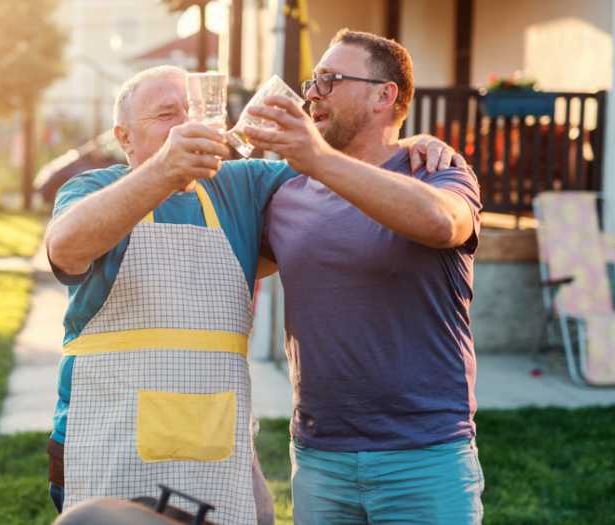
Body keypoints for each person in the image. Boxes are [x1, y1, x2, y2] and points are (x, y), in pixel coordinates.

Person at [42, 64, 458, 524]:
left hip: (217, 451)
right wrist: (163, 170)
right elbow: (65, 249)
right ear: (125, 138)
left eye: (193, 109)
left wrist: (404, 145)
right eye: (166, 115)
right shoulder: (94, 188)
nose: (186, 123)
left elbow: (344, 166)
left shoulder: (243, 184)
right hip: (108, 446)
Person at [246, 30, 484, 524]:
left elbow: (443, 224)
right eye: (313, 82)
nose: (312, 93)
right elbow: (232, 263)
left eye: (330, 81)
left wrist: (320, 159)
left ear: (384, 95)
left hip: (426, 456)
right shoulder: (289, 194)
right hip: (318, 457)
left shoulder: (439, 173)